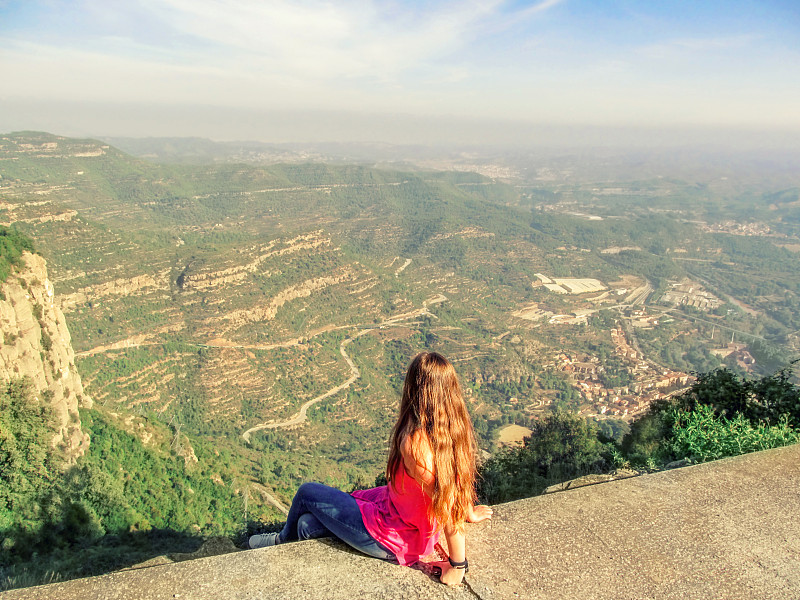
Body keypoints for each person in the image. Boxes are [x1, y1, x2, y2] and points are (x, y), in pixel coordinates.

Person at [248, 351, 493, 586]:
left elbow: (447, 504)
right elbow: (454, 481)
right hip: (396, 509)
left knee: (306, 492)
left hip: (394, 534)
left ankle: (282, 540)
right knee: (306, 525)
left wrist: (458, 567)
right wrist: (469, 513)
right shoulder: (451, 430)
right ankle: (297, 539)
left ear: (415, 390)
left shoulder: (416, 444)